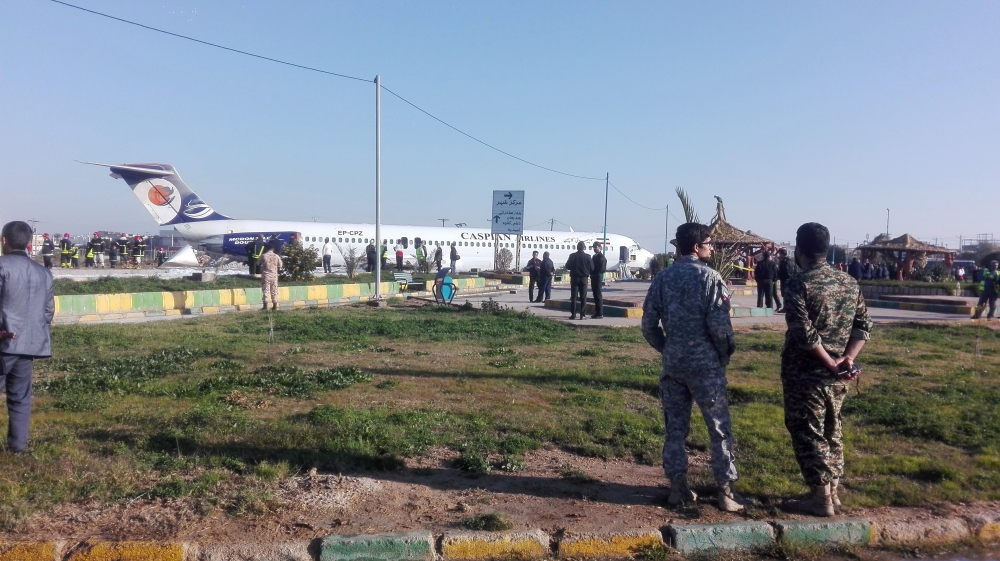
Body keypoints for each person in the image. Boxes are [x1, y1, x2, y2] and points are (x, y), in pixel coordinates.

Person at [641, 222, 746, 512]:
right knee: (719, 428)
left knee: (675, 429)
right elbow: (720, 327)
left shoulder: (663, 278)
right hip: (706, 366)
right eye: (709, 244)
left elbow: (648, 324)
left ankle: (677, 488)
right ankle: (726, 492)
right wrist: (723, 355)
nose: (711, 249)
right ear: (697, 247)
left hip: (674, 364)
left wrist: (667, 349)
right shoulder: (710, 277)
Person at [781, 222, 873, 517]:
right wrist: (847, 357)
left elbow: (804, 334)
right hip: (839, 374)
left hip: (806, 373)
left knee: (809, 430)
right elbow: (863, 326)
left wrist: (830, 362)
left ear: (799, 249)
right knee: (833, 428)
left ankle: (820, 497)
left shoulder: (799, 283)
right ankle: (833, 490)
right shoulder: (848, 282)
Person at [0, 221, 54, 454]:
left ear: (4, 241)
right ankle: (17, 448)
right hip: (29, 344)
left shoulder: (2, 266)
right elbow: (48, 312)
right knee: (20, 397)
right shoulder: (44, 272)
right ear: (29, 244)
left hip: (4, 342)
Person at [565, 241, 593, 320]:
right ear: (584, 248)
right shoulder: (588, 257)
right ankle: (582, 315)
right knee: (583, 297)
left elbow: (568, 266)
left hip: (574, 278)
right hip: (584, 278)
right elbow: (592, 268)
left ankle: (573, 314)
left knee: (574, 297)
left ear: (577, 248)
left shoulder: (572, 256)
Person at [259, 242, 283, 311]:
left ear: (266, 248)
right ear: (273, 249)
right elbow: (280, 265)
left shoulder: (263, 256)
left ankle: (265, 305)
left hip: (266, 275)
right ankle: (274, 305)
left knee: (265, 290)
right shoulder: (276, 256)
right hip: (274, 275)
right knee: (274, 290)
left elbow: (258, 263)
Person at [591, 242, 607, 319]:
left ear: (600, 247)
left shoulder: (601, 257)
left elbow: (602, 269)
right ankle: (596, 312)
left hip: (597, 277)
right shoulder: (594, 256)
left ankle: (600, 313)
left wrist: (594, 271)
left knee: (598, 295)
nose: (594, 249)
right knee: (595, 295)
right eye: (593, 247)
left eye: (596, 247)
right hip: (593, 277)